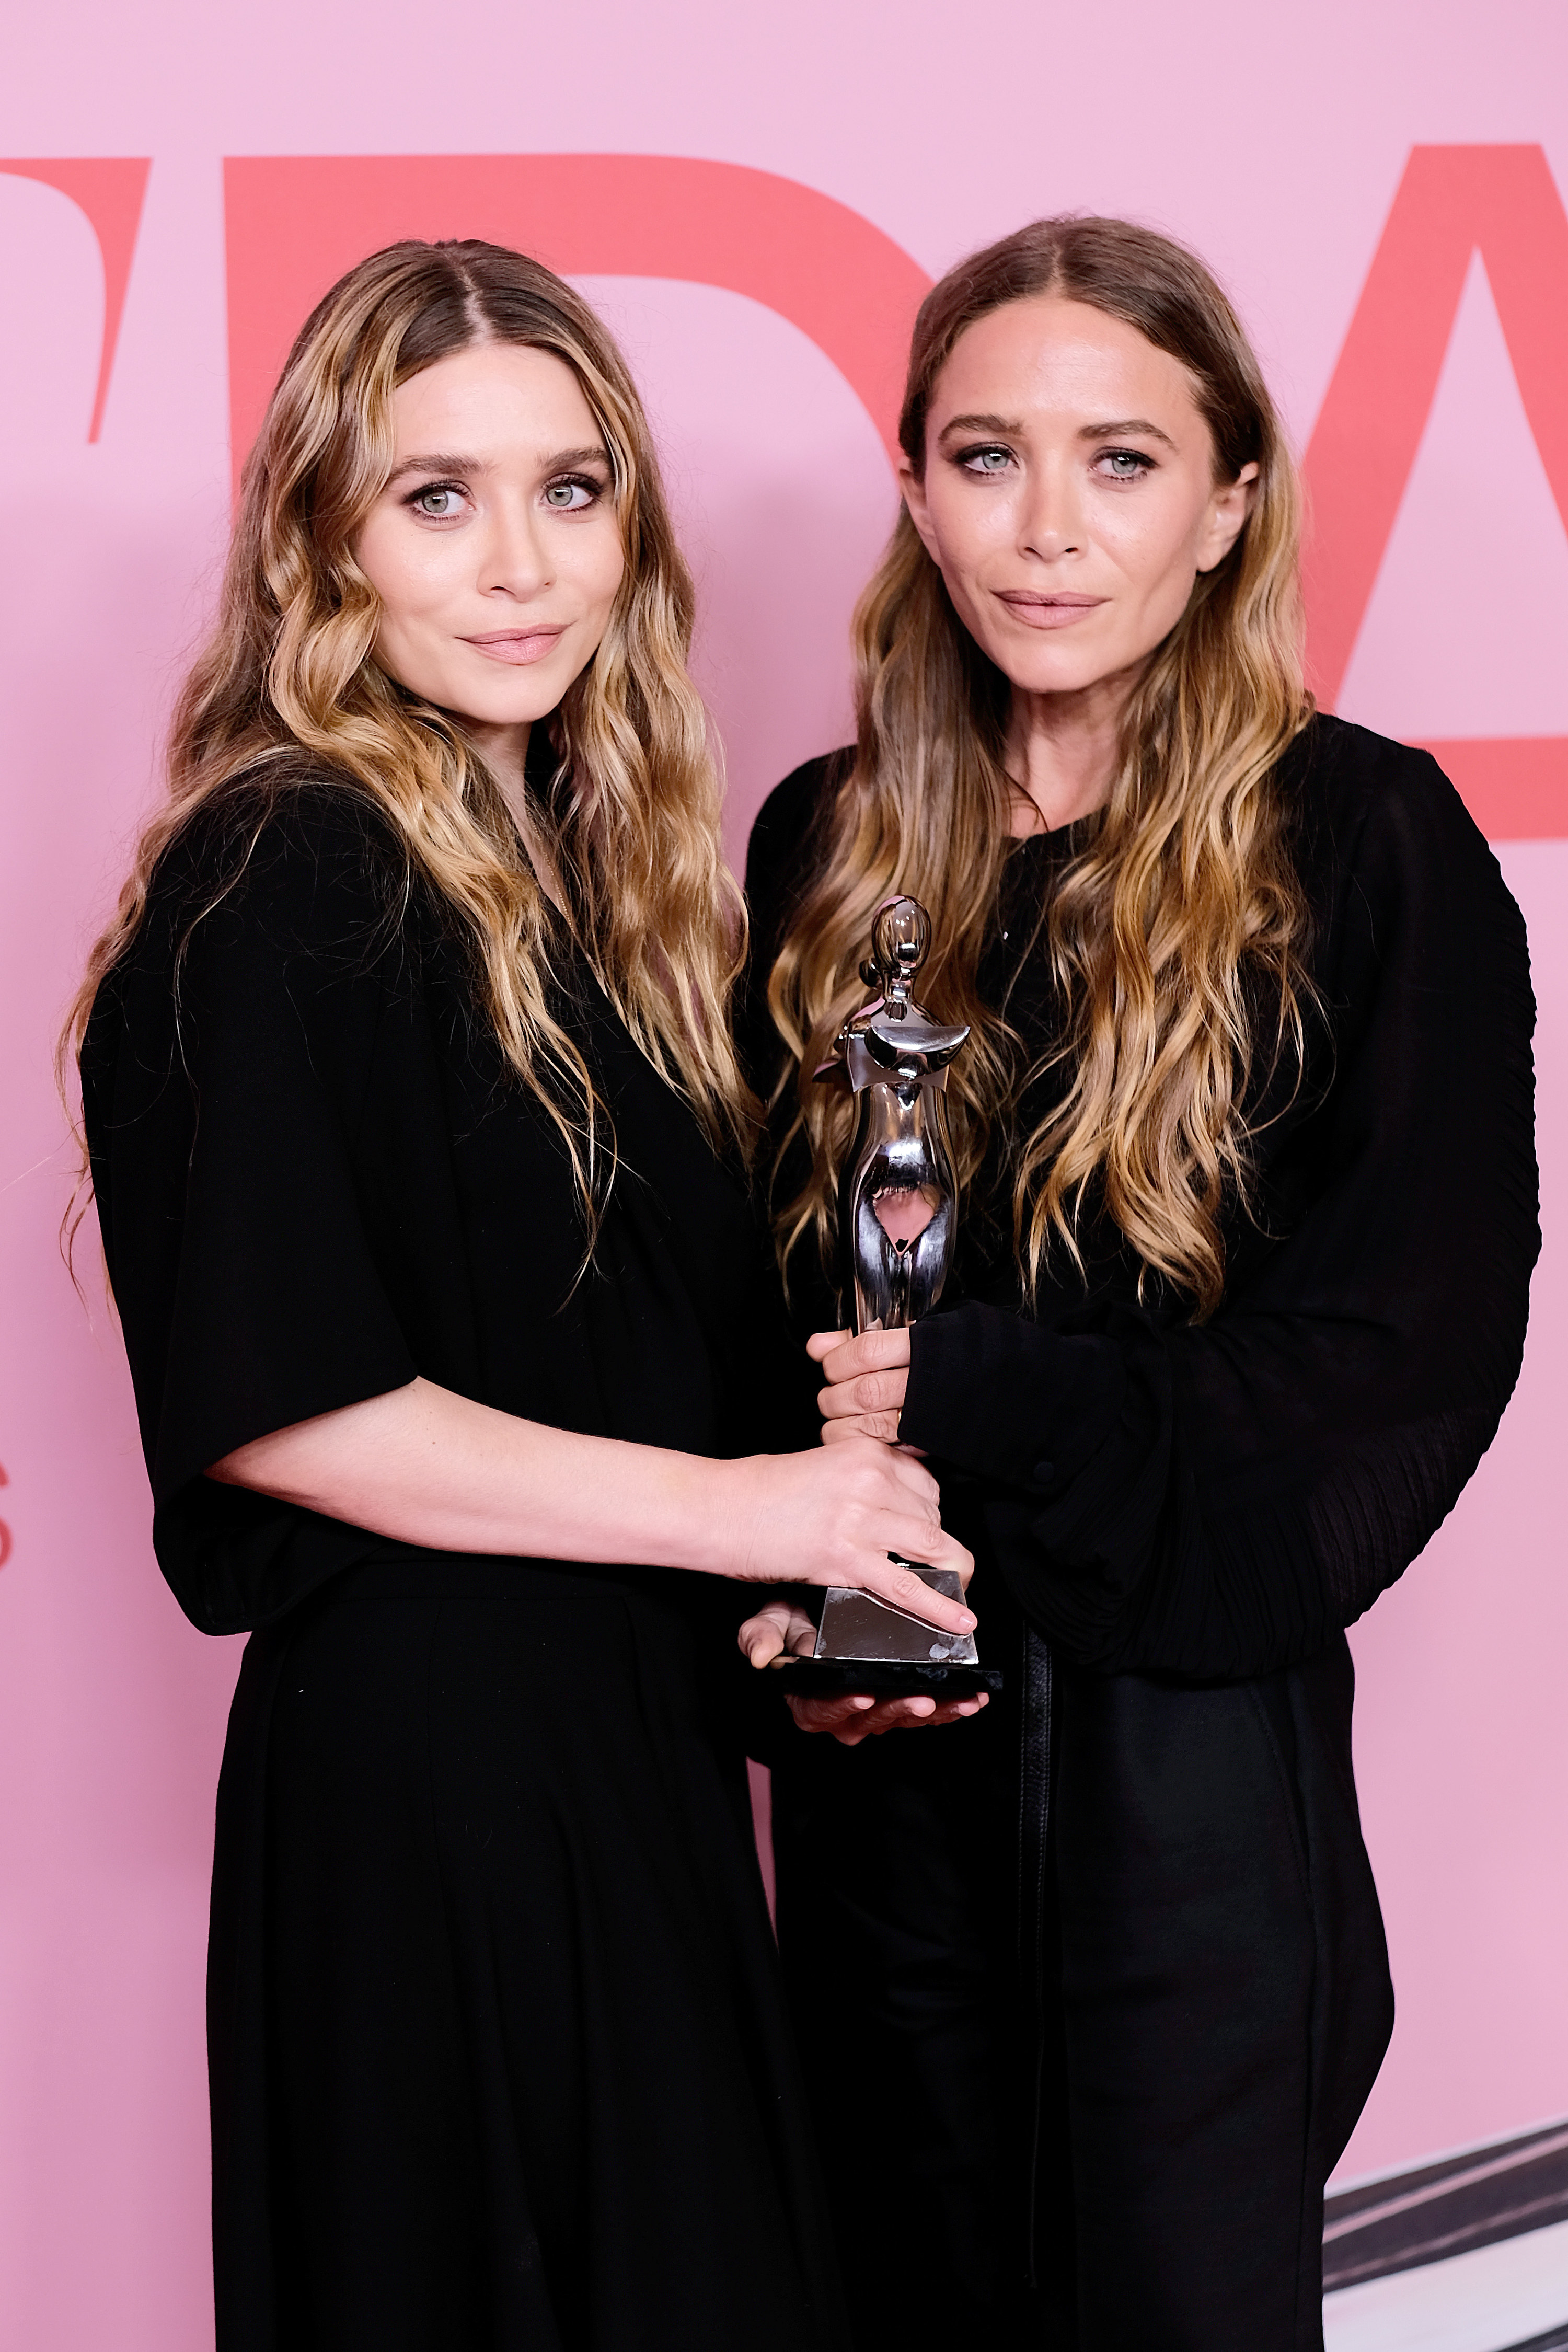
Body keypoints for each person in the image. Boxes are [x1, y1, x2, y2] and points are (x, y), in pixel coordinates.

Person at [66, 237, 981, 2352]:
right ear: (325, 543)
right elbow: (290, 1406)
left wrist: (788, 1626)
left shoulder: (602, 902)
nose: (521, 567)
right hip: (429, 1822)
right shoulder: (282, 866)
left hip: (619, 1773)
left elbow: (622, 1388)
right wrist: (756, 1517)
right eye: (436, 496)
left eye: (572, 492)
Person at [739, 216, 1539, 2351]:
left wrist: (987, 1400)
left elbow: (1401, 1352)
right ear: (914, 488)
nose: (1046, 529)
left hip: (1192, 1787)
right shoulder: (824, 854)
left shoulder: (1365, 843)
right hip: (877, 1779)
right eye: (987, 457)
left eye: (1119, 460)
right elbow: (751, 1317)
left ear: (1229, 499)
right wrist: (782, 1617)